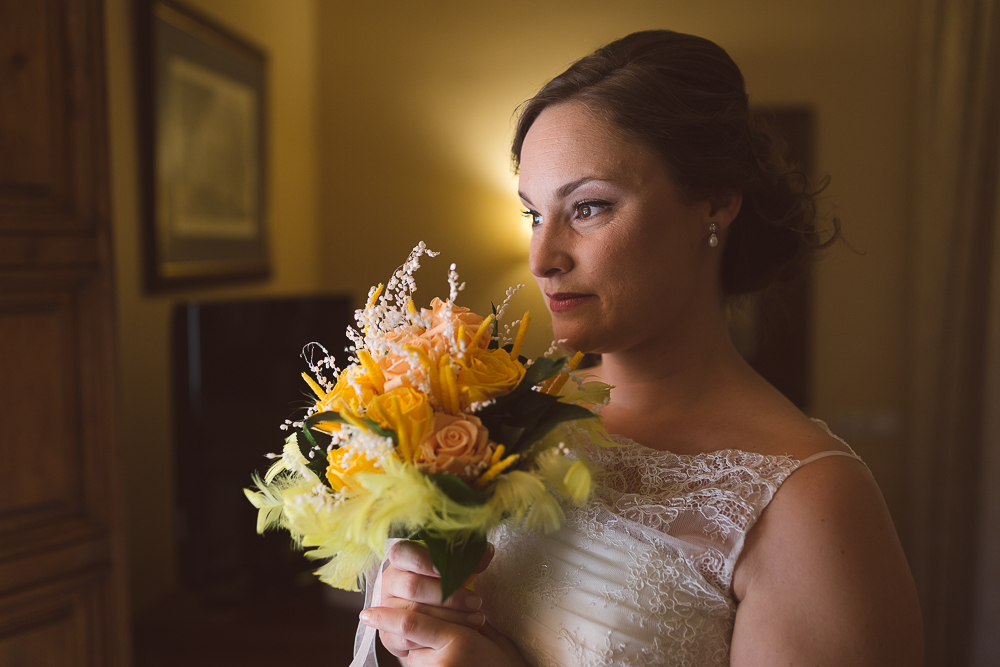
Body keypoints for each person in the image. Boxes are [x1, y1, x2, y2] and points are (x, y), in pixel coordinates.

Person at [358, 29, 923, 666]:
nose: (542, 259)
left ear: (716, 200)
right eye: (533, 215)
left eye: (590, 207)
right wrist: (419, 605)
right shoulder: (494, 419)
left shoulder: (811, 502)